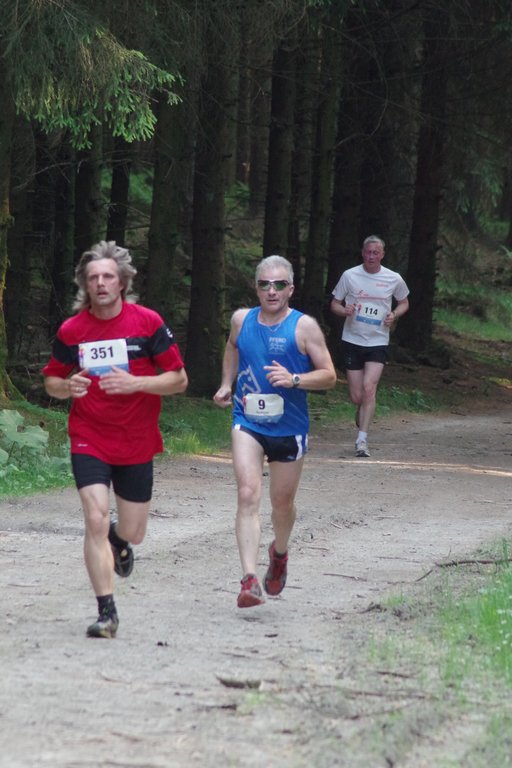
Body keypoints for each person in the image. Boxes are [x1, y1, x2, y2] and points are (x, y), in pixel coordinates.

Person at [42, 241, 188, 639]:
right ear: (84, 284)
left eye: (108, 276)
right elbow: (52, 380)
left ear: (122, 282)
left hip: (136, 438)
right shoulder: (73, 330)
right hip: (89, 435)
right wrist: (66, 387)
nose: (101, 283)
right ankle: (106, 612)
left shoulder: (147, 323)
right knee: (94, 517)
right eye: (93, 278)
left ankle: (119, 540)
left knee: (134, 531)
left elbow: (178, 379)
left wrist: (136, 383)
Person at [213, 255, 337, 608]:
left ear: (290, 289)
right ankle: (249, 579)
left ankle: (279, 553)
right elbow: (232, 347)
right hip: (248, 420)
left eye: (279, 284)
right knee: (247, 493)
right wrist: (226, 384)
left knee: (282, 504)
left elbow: (329, 376)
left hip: (289, 426)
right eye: (265, 284)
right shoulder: (241, 320)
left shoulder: (304, 327)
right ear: (256, 288)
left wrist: (295, 379)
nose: (271, 290)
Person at [330, 235, 409, 458]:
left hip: (378, 340)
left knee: (369, 388)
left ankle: (362, 440)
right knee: (357, 396)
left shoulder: (393, 278)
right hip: (352, 339)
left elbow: (404, 302)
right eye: (368, 252)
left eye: (375, 252)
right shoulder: (350, 275)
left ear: (382, 254)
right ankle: (362, 407)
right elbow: (335, 303)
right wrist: (344, 310)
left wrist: (394, 314)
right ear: (362, 253)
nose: (371, 256)